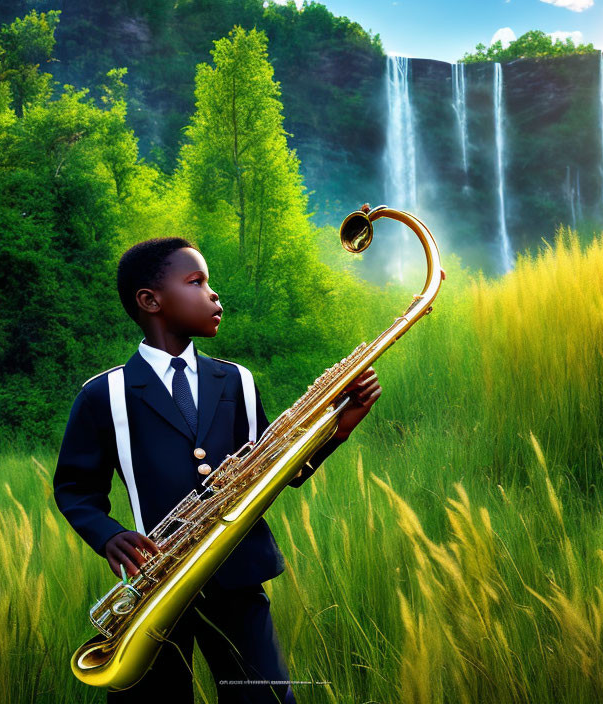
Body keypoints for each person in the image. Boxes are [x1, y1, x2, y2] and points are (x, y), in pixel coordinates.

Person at [53, 237, 381, 703]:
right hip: (155, 585)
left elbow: (278, 471)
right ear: (150, 301)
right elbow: (75, 488)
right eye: (196, 281)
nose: (214, 294)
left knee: (265, 697)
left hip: (238, 573)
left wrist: (338, 431)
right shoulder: (103, 394)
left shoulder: (238, 380)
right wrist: (106, 534)